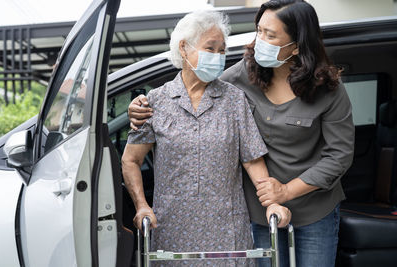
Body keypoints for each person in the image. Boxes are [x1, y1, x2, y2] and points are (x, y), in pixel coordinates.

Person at [128, 1, 355, 267]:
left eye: (270, 35)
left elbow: (339, 155)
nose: (259, 41)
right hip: (260, 211)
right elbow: (199, 86)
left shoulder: (328, 89)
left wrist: (284, 192)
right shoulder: (241, 76)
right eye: (259, 31)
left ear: (295, 45)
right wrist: (139, 110)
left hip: (314, 208)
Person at [122, 10, 291, 267]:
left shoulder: (234, 100)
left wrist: (272, 204)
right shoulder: (155, 101)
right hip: (172, 230)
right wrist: (141, 206)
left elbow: (252, 160)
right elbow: (131, 160)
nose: (218, 57)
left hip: (226, 229)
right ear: (184, 48)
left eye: (222, 51)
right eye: (210, 48)